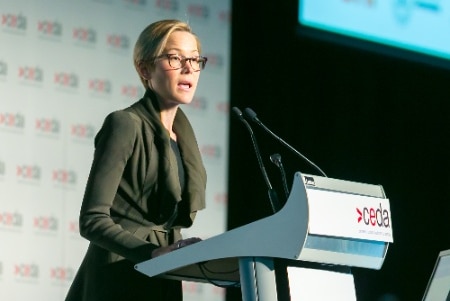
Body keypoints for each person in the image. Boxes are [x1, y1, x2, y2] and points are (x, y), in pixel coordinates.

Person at [65, 19, 208, 301]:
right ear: (145, 69)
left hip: (164, 274)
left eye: (194, 59)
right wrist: (151, 253)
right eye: (175, 58)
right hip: (118, 276)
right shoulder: (125, 124)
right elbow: (92, 219)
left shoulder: (185, 139)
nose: (188, 68)